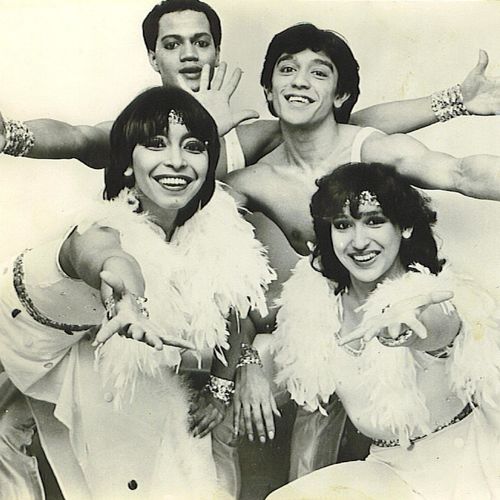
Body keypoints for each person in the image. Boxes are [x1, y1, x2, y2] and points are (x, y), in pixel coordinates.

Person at [225, 22, 500, 483]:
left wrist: (455, 100)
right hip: (321, 333)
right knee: (300, 476)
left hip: (403, 332)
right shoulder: (252, 180)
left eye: (318, 72)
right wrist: (246, 359)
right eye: (287, 70)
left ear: (340, 95)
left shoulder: (370, 148)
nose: (299, 81)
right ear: (269, 91)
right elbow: (198, 238)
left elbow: (461, 174)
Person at [0, 86, 275, 499]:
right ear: (127, 164)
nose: (177, 161)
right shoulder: (102, 228)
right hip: (18, 326)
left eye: (193, 147)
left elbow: (231, 301)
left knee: (178, 465)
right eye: (156, 144)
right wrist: (130, 301)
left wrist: (220, 391)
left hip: (83, 344)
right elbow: (110, 258)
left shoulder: (217, 222)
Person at [2, 0, 500, 176]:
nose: (190, 54)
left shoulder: (249, 136)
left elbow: (347, 126)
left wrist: (456, 100)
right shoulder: (135, 128)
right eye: (173, 45)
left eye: (201, 42)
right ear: (154, 58)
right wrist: (9, 135)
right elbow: (76, 137)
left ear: (216, 52)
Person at [267, 162, 500, 499]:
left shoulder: (432, 295)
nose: (359, 242)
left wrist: (407, 331)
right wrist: (246, 366)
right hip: (389, 469)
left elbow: (441, 326)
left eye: (374, 221)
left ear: (404, 226)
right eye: (343, 225)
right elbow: (251, 316)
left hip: (468, 465)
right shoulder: (316, 303)